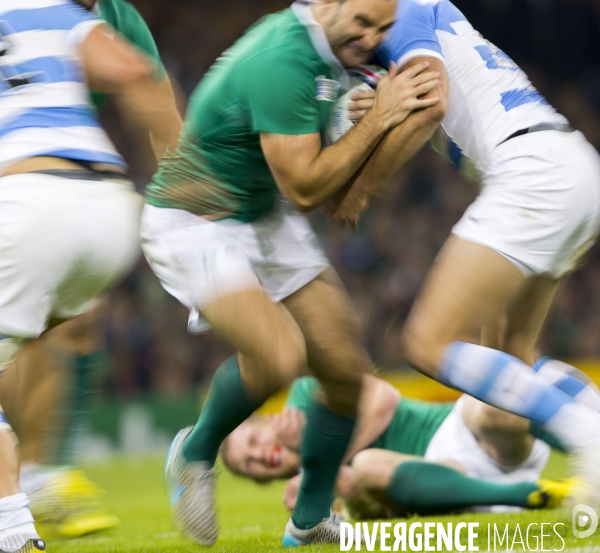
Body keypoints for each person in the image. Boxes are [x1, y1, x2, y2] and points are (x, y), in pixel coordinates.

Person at [141, 0, 443, 545]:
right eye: (363, 23)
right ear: (326, 4)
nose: (373, 38)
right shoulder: (282, 58)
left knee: (346, 372)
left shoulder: (337, 52)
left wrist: (362, 123)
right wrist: (378, 117)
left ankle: (311, 520)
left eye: (384, 28)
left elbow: (322, 156)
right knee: (278, 354)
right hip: (195, 220)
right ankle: (194, 450)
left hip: (261, 213)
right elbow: (305, 188)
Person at [329, 0, 600, 506]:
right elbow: (432, 98)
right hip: (569, 164)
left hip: (531, 171)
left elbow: (431, 100)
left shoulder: (403, 10)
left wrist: (362, 186)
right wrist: (379, 107)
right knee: (509, 367)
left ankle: (590, 437)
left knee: (427, 342)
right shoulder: (418, 18)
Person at [0, 0, 182, 550]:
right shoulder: (62, 12)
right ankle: (40, 477)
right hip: (106, 208)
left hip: (27, 199)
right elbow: (134, 71)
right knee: (49, 328)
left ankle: (15, 524)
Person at [221, 375, 577, 518]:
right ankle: (521, 495)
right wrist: (325, 485)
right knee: (363, 469)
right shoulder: (304, 493)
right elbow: (377, 517)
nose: (258, 456)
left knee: (489, 407)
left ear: (267, 422)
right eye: (248, 464)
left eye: (252, 442)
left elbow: (384, 398)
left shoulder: (303, 399)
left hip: (459, 432)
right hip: (444, 483)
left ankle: (587, 443)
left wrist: (324, 464)